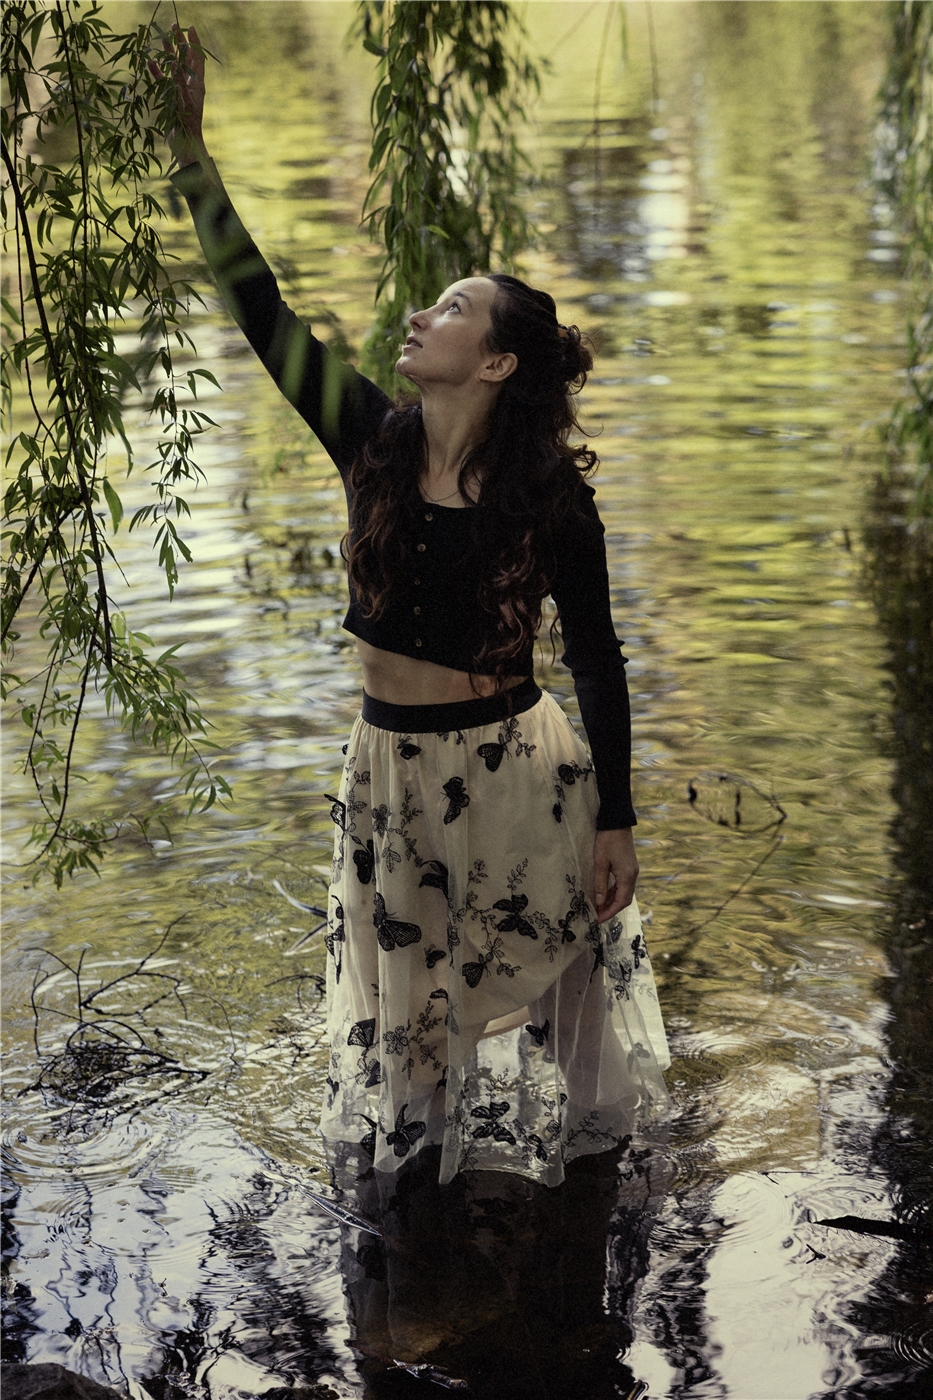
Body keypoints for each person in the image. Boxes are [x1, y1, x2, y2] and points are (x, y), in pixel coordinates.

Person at [153, 25, 670, 1198]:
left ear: (495, 363)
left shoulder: (551, 498)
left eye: (450, 308)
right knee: (412, 1023)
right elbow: (266, 316)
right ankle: (418, 1220)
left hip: (518, 773)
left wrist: (618, 818)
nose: (423, 317)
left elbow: (597, 656)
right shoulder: (373, 442)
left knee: (569, 1007)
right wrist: (194, 162)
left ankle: (597, 1205)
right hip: (389, 774)